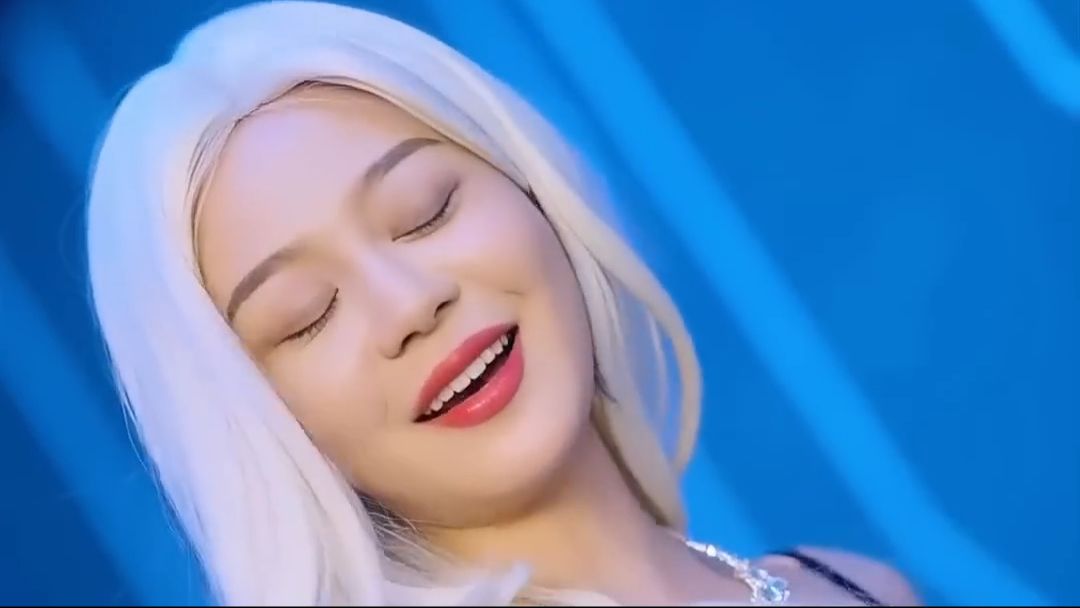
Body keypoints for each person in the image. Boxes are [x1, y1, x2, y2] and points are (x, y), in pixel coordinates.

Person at [85, 1, 921, 605]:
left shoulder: (855, 586)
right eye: (307, 314)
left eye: (426, 211)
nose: (411, 305)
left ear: (535, 191)